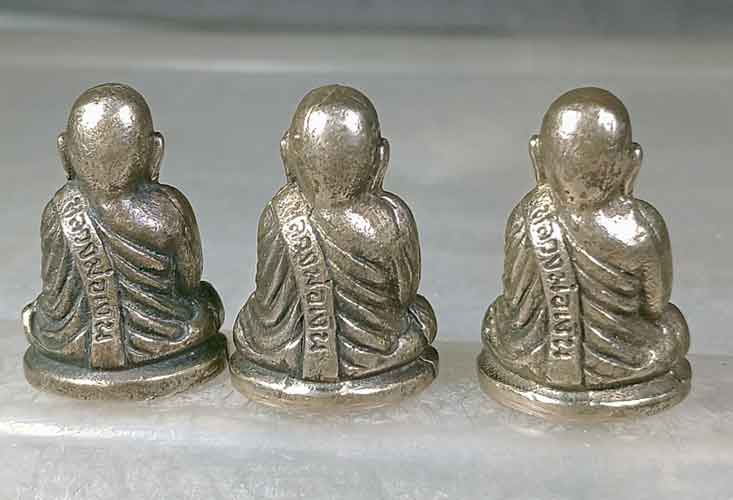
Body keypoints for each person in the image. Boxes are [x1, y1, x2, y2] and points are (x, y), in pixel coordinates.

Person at [479, 87, 690, 419]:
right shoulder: (641, 226)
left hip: (531, 356)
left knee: (496, 320)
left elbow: (515, 300)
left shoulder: (526, 213)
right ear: (632, 164)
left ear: (538, 157)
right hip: (625, 360)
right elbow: (655, 306)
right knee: (672, 329)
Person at [231, 85, 438, 408]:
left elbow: (266, 296)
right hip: (377, 351)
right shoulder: (389, 219)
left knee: (248, 324)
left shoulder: (276, 213)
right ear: (380, 158)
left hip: (278, 348)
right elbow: (404, 293)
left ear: (287, 154)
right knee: (421, 317)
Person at [22, 83, 225, 399]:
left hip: (67, 339)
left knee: (34, 316)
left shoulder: (57, 209)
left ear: (65, 153)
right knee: (206, 307)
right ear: (155, 152)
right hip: (166, 335)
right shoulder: (169, 209)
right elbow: (188, 280)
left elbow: (54, 292)